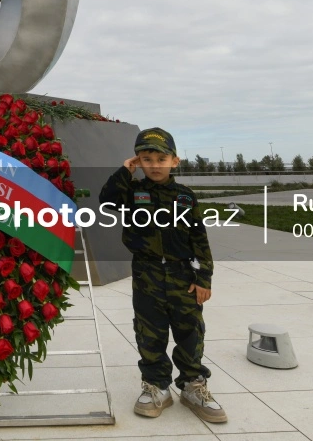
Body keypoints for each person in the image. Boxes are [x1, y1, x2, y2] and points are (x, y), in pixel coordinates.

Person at [99, 128, 226, 423]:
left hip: (184, 275)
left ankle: (193, 386)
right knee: (149, 332)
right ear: (138, 161)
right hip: (147, 273)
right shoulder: (132, 192)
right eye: (146, 158)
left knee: (190, 333)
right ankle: (157, 387)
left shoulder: (186, 196)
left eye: (161, 158)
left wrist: (203, 278)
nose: (154, 164)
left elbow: (199, 237)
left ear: (175, 161)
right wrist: (124, 171)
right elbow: (107, 202)